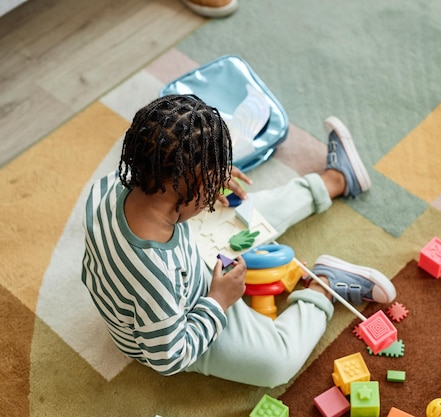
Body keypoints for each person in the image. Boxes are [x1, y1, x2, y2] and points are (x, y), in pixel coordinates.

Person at [81, 94, 396, 388]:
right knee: (278, 362)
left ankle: (336, 180)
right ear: (194, 183)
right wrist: (218, 301)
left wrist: (202, 182)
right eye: (214, 176)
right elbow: (169, 355)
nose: (218, 182)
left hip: (187, 259)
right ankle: (323, 286)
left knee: (246, 212)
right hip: (187, 313)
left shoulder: (110, 187)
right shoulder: (154, 276)